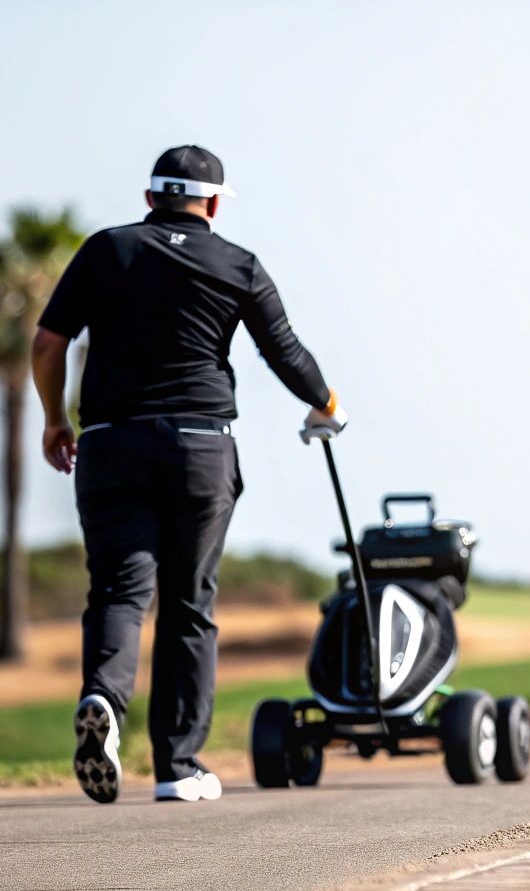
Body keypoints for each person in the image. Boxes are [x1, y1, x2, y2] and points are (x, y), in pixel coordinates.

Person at [31, 146, 348, 804]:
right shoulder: (239, 265)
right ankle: (178, 767)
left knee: (120, 591)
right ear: (211, 204)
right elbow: (282, 351)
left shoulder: (105, 250)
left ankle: (104, 700)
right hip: (202, 452)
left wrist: (54, 421)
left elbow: (46, 345)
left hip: (112, 444)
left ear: (151, 199)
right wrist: (325, 403)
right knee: (188, 605)